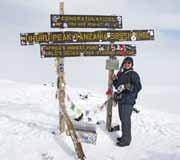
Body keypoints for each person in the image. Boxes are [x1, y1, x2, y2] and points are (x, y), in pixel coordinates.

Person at [112, 56, 142, 147]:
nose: (127, 64)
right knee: (123, 120)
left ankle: (126, 141)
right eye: (125, 63)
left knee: (126, 120)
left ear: (132, 64)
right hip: (121, 100)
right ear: (123, 64)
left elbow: (138, 87)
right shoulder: (121, 74)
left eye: (129, 63)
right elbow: (118, 86)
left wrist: (128, 86)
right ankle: (124, 137)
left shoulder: (133, 74)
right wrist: (114, 80)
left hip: (128, 101)